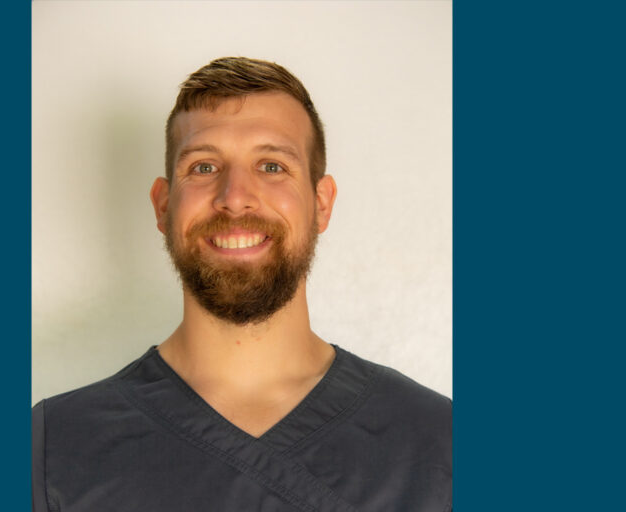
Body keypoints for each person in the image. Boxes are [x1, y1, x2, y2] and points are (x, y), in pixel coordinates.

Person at [32, 57, 451, 512]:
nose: (234, 197)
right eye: (204, 167)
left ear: (321, 203)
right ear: (163, 205)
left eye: (272, 167)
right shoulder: (54, 449)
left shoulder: (436, 443)